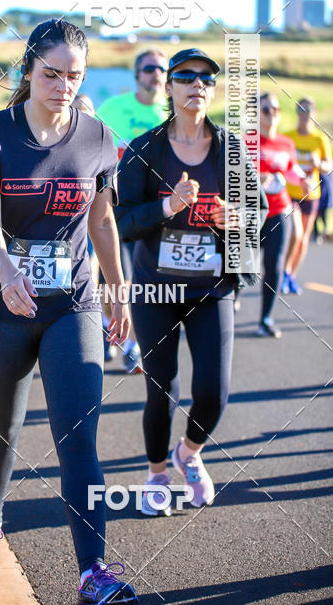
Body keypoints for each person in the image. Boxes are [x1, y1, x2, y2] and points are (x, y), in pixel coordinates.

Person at [0, 19, 138, 604]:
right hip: (1, 301)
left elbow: (103, 220)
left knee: (78, 436)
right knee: (0, 427)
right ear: (28, 72)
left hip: (74, 301)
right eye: (51, 73)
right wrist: (8, 272)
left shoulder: (98, 138)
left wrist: (119, 290)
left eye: (74, 76)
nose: (62, 85)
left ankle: (93, 570)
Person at [115, 48, 267, 515]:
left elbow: (258, 213)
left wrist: (235, 216)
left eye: (205, 78)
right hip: (155, 287)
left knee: (213, 392)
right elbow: (119, 221)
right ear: (169, 87)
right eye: (185, 76)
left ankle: (191, 453)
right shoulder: (145, 148)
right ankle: (157, 474)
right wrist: (167, 207)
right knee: (162, 390)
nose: (196, 84)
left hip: (211, 288)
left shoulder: (232, 150)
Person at [97, 49, 169, 372]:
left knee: (141, 280)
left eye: (162, 69)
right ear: (137, 75)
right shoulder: (113, 109)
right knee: (112, 276)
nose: (156, 74)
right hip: (110, 208)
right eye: (149, 68)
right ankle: (107, 324)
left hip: (152, 212)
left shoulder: (171, 113)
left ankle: (132, 344)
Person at [258, 93, 310, 336]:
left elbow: (291, 169)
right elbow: (231, 174)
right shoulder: (246, 142)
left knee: (274, 265)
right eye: (266, 109)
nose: (272, 114)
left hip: (278, 210)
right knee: (240, 265)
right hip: (249, 211)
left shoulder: (286, 143)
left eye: (275, 109)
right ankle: (232, 298)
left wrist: (303, 179)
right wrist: (257, 179)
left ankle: (266, 319)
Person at [283, 97, 332, 293]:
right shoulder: (288, 137)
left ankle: (290, 275)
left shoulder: (319, 139)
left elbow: (329, 166)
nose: (304, 114)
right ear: (297, 113)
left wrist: (318, 163)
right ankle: (283, 271)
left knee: (303, 239)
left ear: (314, 113)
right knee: (296, 233)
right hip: (290, 193)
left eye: (308, 110)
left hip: (311, 195)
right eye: (301, 110)